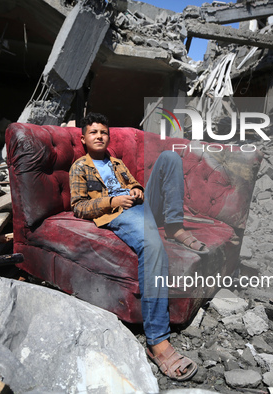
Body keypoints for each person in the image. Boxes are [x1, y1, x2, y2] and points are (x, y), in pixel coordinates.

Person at [69, 112, 205, 381]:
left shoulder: (116, 162)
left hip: (139, 205)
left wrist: (137, 190)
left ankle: (174, 225)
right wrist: (113, 202)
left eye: (103, 133)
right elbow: (78, 208)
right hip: (118, 213)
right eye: (93, 132)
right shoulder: (80, 168)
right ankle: (157, 340)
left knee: (170, 157)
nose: (99, 136)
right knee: (153, 247)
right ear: (83, 138)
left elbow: (133, 183)